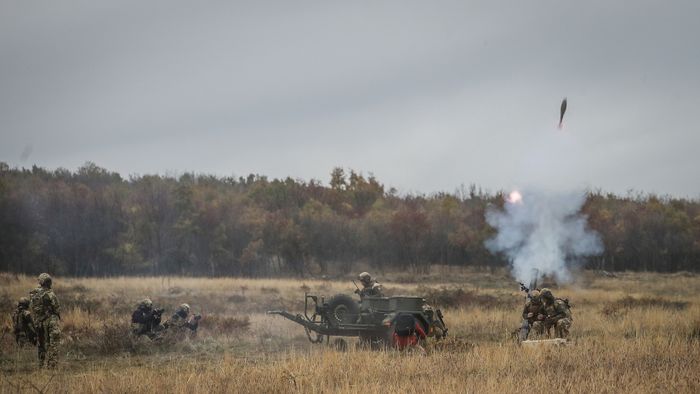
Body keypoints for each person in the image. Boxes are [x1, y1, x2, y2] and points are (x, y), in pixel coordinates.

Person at [29, 273, 61, 368]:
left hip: (38, 321)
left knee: (41, 343)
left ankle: (41, 364)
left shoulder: (33, 293)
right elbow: (57, 308)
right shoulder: (50, 294)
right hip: (50, 320)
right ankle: (52, 365)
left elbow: (32, 307)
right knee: (53, 342)